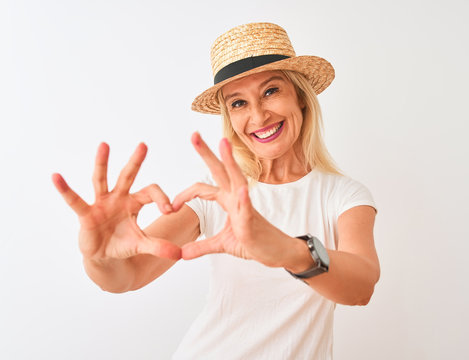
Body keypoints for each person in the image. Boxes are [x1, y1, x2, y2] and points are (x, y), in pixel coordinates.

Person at [52, 22, 380, 359]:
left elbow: (362, 285)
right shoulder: (215, 193)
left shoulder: (344, 195)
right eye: (238, 103)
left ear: (300, 96)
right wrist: (99, 257)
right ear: (229, 116)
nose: (258, 115)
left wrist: (287, 250)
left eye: (271, 91)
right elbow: (127, 276)